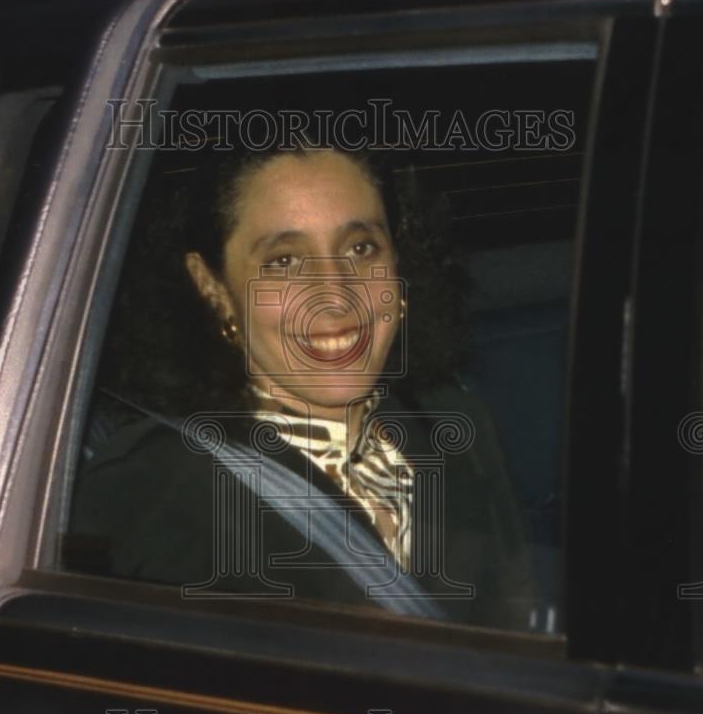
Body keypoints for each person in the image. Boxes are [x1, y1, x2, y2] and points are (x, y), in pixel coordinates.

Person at [67, 140, 536, 630]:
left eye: (360, 248)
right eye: (284, 261)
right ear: (213, 287)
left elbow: (520, 639)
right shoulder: (149, 489)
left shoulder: (455, 425)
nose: (334, 296)